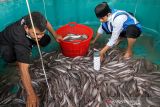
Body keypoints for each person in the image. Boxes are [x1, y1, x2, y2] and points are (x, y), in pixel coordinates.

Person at [0, 12, 62, 107]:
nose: (39, 36)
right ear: (26, 28)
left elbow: (46, 23)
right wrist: (31, 94)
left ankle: (31, 41)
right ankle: (13, 61)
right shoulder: (20, 40)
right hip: (5, 43)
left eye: (42, 33)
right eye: (36, 34)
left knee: (46, 40)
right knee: (11, 57)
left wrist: (55, 35)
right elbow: (23, 70)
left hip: (24, 36)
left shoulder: (35, 18)